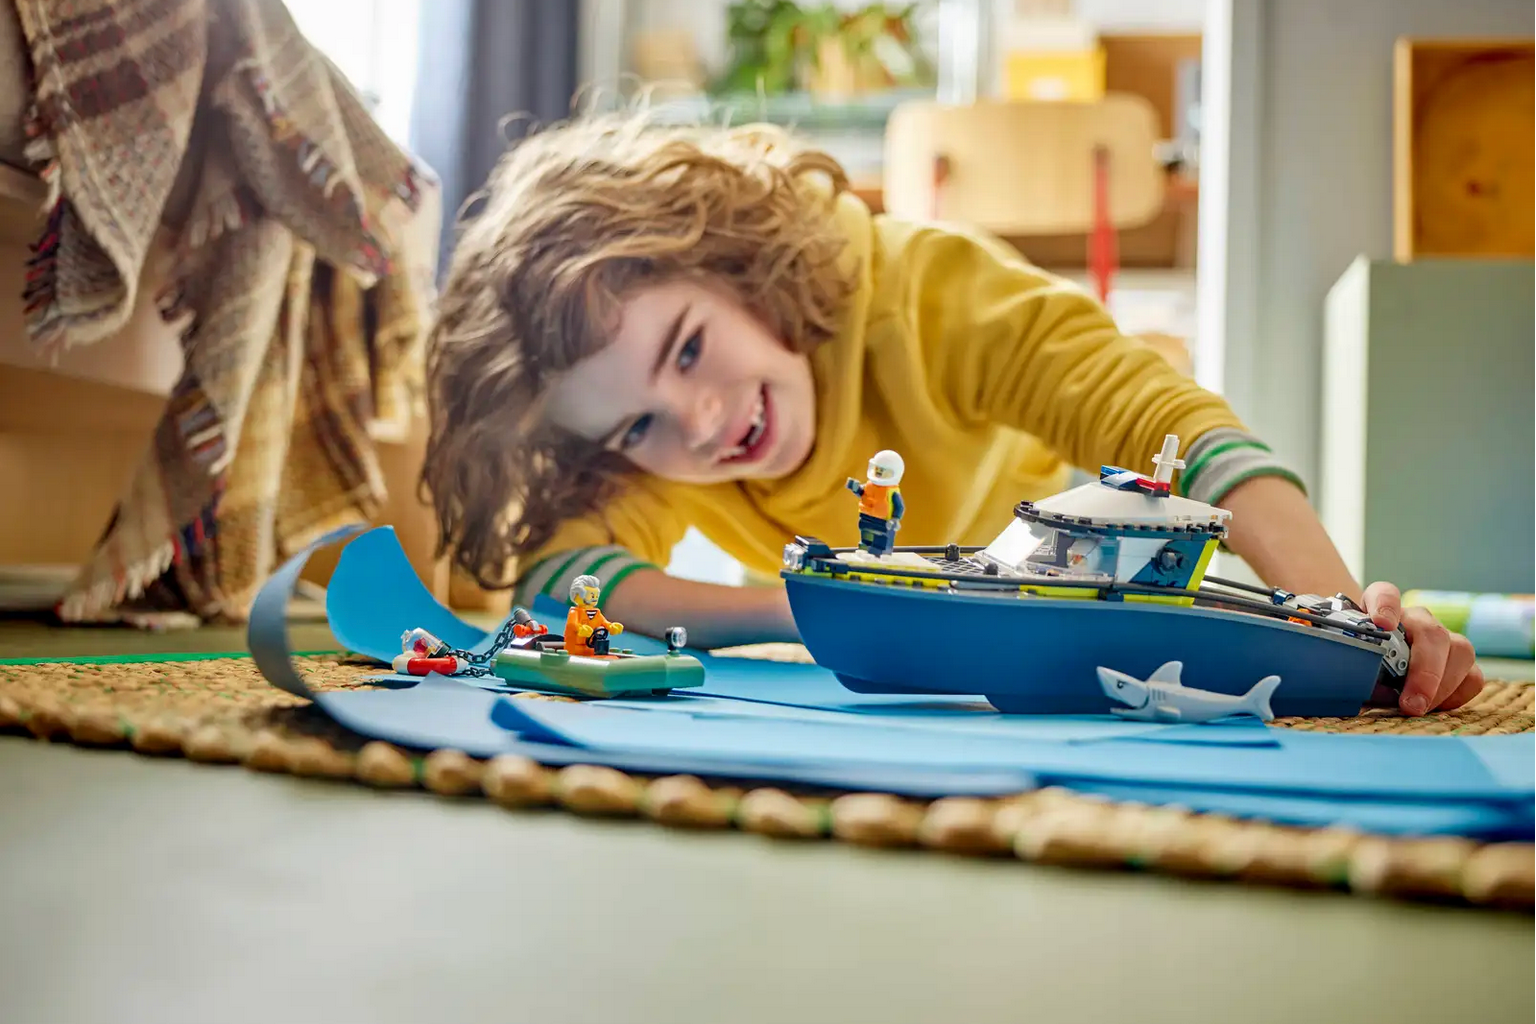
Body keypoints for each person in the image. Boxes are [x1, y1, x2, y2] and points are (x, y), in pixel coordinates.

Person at [421, 111, 1481, 717]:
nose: (696, 423)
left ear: (739, 264)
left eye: (690, 346)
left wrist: (1354, 631)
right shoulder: (669, 415)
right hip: (930, 614)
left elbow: (1177, 432)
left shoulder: (926, 292)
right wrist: (828, 612)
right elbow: (564, 583)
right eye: (638, 429)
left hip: (1078, 575)